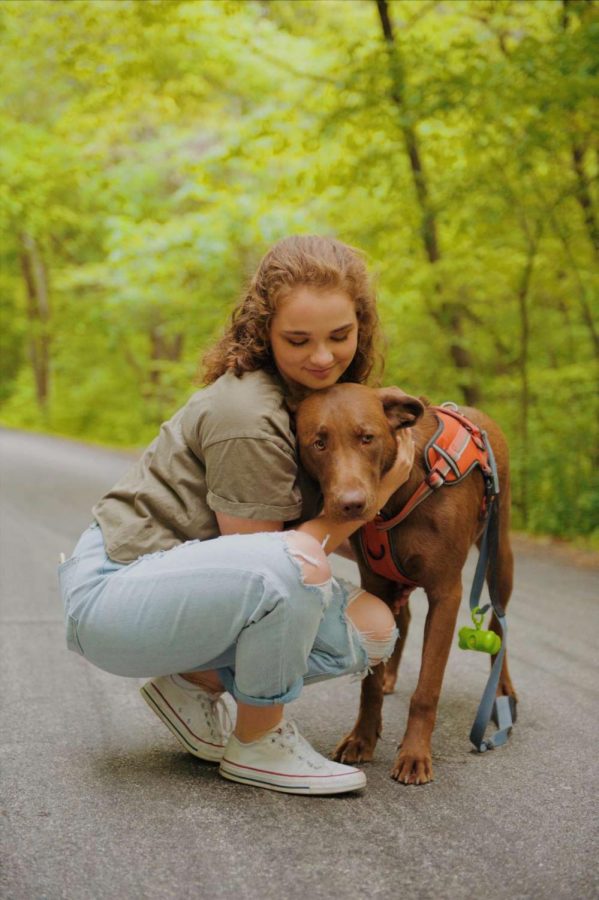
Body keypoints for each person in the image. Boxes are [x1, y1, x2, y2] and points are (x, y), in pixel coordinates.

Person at [57, 235, 414, 796]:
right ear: (263, 332)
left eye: (340, 336)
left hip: (179, 586)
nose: (322, 356)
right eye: (298, 340)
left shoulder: (315, 399)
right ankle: (259, 742)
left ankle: (191, 684)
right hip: (115, 595)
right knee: (291, 567)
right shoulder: (249, 412)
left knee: (371, 629)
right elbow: (274, 563)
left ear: (360, 326)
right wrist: (383, 490)